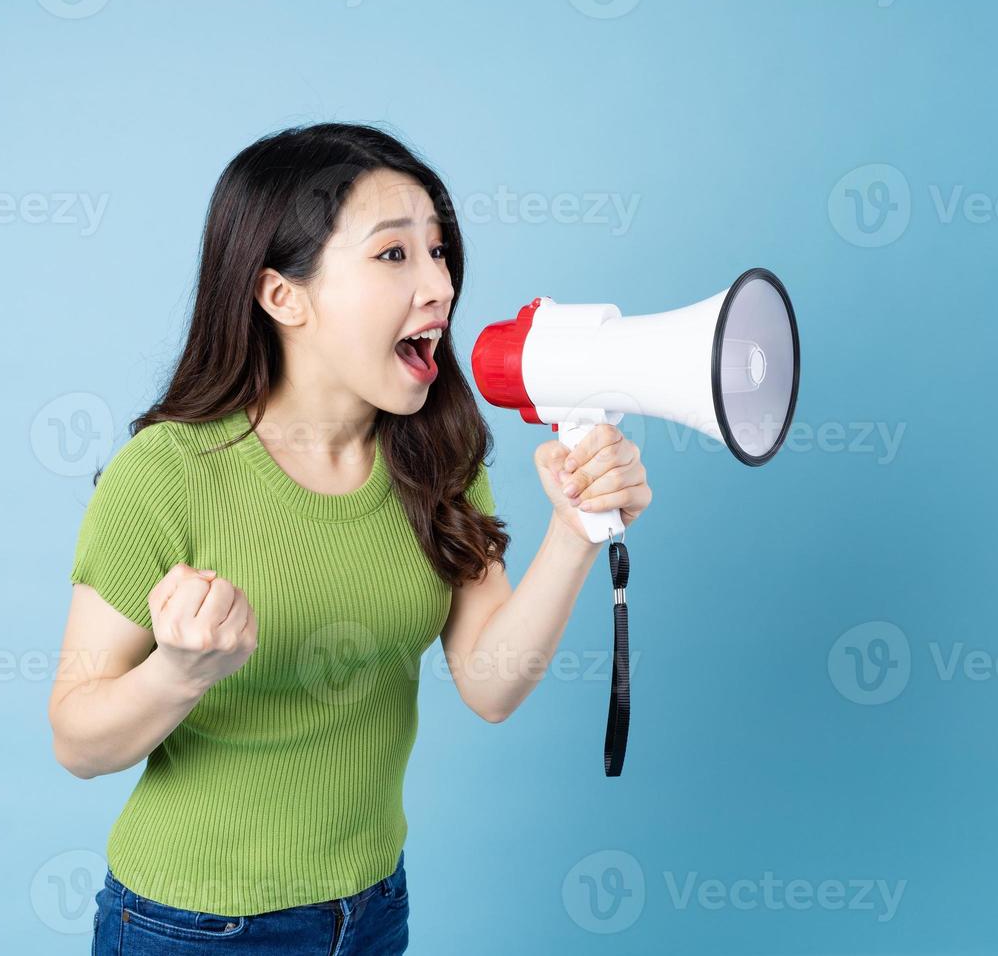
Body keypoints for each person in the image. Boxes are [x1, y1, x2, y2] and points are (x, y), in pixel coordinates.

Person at [47, 122, 652, 954]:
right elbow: (76, 740)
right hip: (193, 926)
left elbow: (492, 684)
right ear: (281, 296)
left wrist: (576, 533)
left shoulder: (436, 456)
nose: (439, 284)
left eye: (439, 252)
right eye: (394, 255)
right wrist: (179, 673)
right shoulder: (165, 475)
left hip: (370, 910)